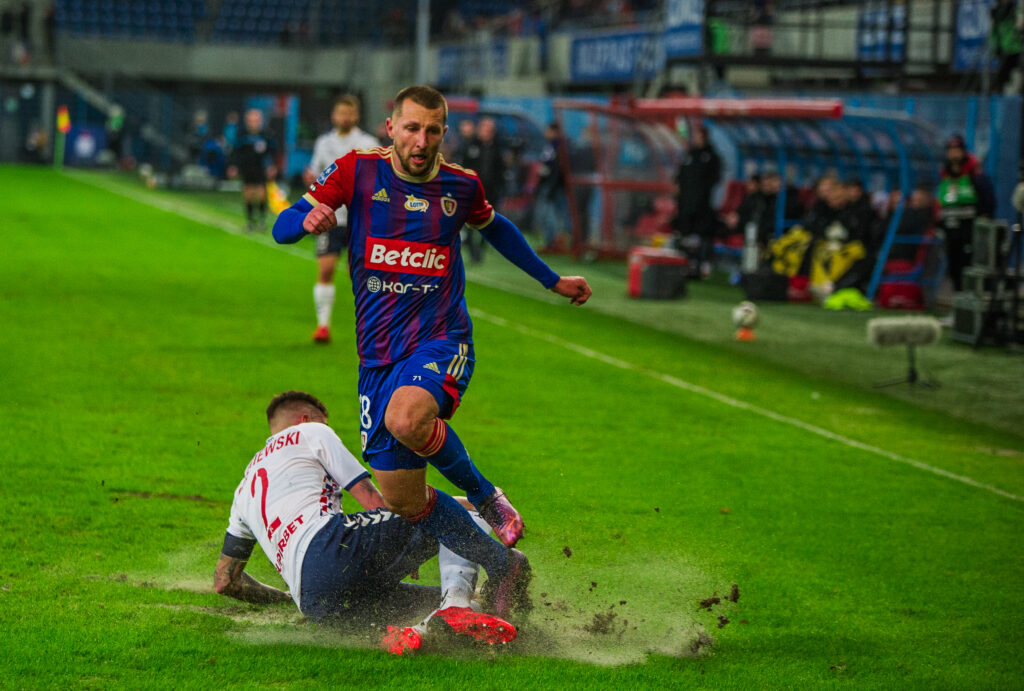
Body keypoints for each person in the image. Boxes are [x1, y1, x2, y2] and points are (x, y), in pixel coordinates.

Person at [272, 85, 591, 617]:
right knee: (403, 499)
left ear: (444, 133)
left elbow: (498, 229)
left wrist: (551, 279)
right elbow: (283, 225)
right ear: (391, 127)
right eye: (412, 128)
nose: (421, 141)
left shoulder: (461, 185)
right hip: (377, 357)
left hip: (440, 338)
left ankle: (485, 495)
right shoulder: (355, 170)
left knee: (406, 418)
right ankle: (504, 565)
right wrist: (303, 222)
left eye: (433, 130)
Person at [214, 390, 519, 655]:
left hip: (315, 602)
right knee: (462, 511)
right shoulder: (310, 432)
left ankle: (424, 628)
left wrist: (287, 598)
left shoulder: (243, 490)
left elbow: (225, 581)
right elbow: (373, 498)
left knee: (454, 601)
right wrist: (416, 531)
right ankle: (458, 605)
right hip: (332, 547)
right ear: (306, 418)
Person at [307, 95, 379, 344]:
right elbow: (315, 173)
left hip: (360, 220)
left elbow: (377, 178)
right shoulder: (323, 142)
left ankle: (372, 327)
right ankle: (323, 326)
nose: (345, 117)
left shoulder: (368, 143)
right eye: (341, 113)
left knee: (358, 276)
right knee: (325, 268)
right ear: (334, 115)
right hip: (330, 218)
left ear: (356, 116)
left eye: (349, 113)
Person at [937, 134, 995, 291]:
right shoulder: (945, 176)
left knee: (970, 268)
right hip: (951, 231)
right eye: (951, 150)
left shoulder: (975, 175)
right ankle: (958, 300)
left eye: (957, 149)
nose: (954, 154)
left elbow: (988, 202)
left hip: (970, 232)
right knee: (954, 268)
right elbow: (941, 204)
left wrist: (982, 225)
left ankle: (971, 299)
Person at [673, 124, 722, 277]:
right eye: (695, 136)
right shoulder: (689, 155)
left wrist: (701, 192)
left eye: (699, 136)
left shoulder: (711, 156)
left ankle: (702, 264)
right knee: (683, 233)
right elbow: (680, 176)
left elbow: (714, 178)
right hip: (685, 203)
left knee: (702, 233)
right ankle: (682, 264)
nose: (696, 139)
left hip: (702, 205)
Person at [458, 116, 506, 264]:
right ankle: (473, 250)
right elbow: (463, 166)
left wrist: (500, 185)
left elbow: (501, 169)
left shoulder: (497, 148)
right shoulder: (471, 145)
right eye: (484, 128)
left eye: (489, 129)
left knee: (489, 221)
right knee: (469, 221)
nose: (486, 131)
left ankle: (481, 247)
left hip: (491, 190)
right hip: (472, 190)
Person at [227, 108, 277, 232]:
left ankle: (262, 221)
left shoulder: (266, 135)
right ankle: (250, 222)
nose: (253, 123)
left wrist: (271, 166)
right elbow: (236, 152)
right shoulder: (242, 135)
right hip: (247, 168)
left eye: (256, 120)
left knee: (261, 195)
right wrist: (233, 166)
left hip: (260, 169)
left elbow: (272, 152)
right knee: (248, 195)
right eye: (251, 120)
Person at [534, 122, 569, 252]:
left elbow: (557, 169)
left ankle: (556, 241)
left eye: (548, 131)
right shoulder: (551, 146)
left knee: (552, 214)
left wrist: (551, 185)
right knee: (552, 214)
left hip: (554, 186)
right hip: (549, 184)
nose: (546, 133)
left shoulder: (559, 147)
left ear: (555, 132)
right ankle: (552, 241)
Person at [990, 0, 1022, 94]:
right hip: (1003, 50)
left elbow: (1020, 26)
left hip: (1016, 49)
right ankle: (1002, 94)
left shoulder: (1015, 11)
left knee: (1018, 73)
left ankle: (1017, 92)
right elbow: (993, 32)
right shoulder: (996, 12)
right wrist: (996, 47)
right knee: (1003, 77)